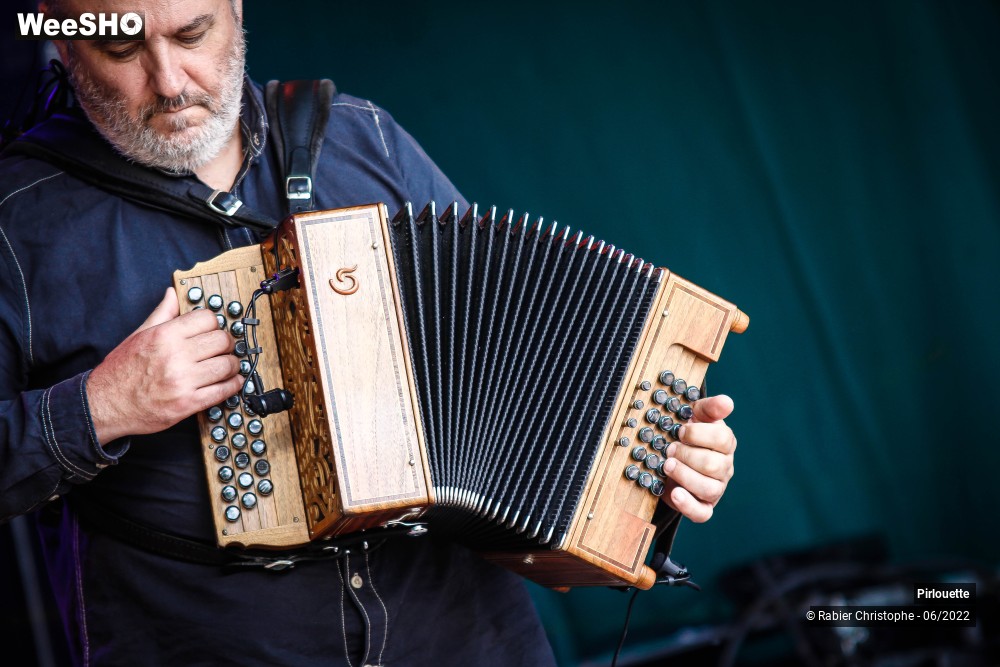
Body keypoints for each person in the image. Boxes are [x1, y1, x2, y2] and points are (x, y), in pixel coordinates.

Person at [0, 0, 739, 664]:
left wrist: (659, 463)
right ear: (61, 44)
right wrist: (101, 406)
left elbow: (506, 379)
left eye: (194, 32)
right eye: (122, 50)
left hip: (466, 636)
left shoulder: (361, 139)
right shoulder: (18, 223)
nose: (170, 81)